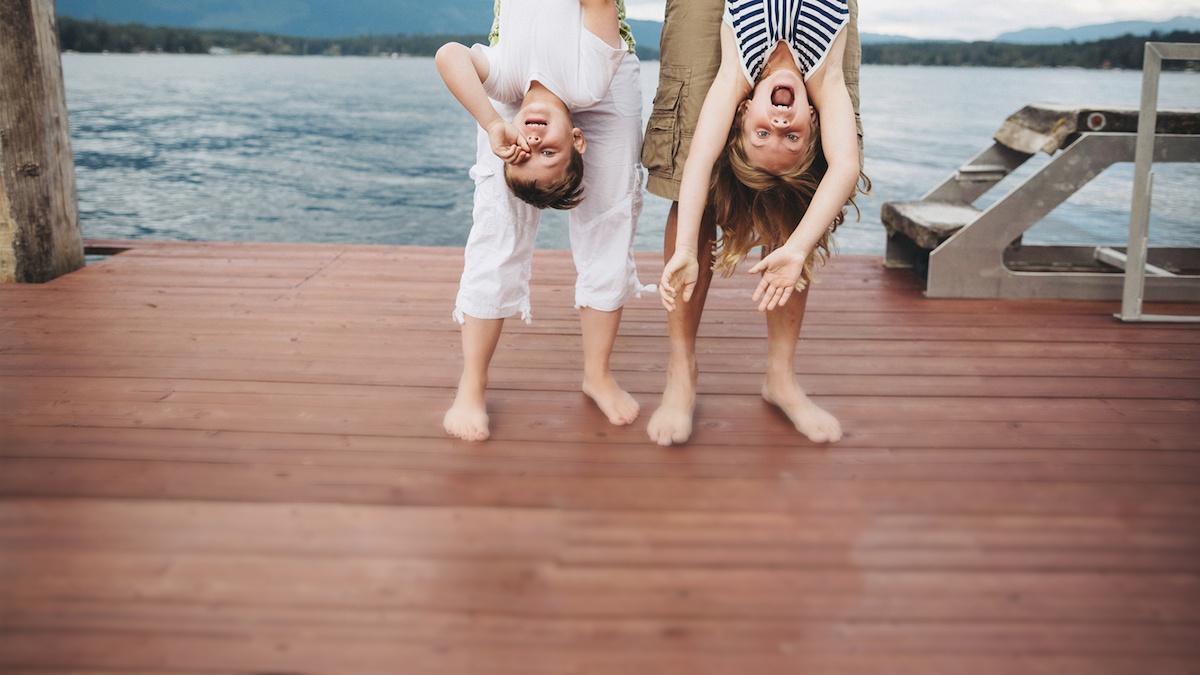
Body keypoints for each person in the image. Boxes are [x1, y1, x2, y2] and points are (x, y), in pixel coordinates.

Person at [643, 0, 866, 446]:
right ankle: (681, 371)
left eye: (767, 132)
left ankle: (780, 378)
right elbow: (845, 165)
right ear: (815, 119)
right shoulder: (824, 77)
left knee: (792, 195)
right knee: (722, 180)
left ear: (743, 112)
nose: (781, 121)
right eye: (790, 132)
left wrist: (688, 250)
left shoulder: (739, 74)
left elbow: (705, 155)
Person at [437, 0, 649, 441]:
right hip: (593, 62)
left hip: (534, 89)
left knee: (609, 224)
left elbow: (449, 55)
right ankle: (471, 385)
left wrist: (497, 123)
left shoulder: (504, 72)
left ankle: (598, 375)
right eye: (546, 150)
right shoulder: (586, 80)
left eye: (527, 150)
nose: (530, 141)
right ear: (576, 139)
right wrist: (497, 124)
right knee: (499, 230)